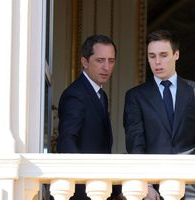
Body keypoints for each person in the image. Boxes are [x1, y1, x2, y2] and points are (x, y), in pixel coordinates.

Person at [123, 29, 195, 200]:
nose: (157, 62)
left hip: (191, 184)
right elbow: (135, 143)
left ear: (176, 54)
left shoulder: (193, 91)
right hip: (154, 187)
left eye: (163, 55)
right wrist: (145, 184)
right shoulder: (135, 96)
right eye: (152, 56)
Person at [57, 34, 123, 200]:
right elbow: (66, 141)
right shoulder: (76, 94)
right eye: (100, 60)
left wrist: (115, 189)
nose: (106, 67)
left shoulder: (101, 94)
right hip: (83, 191)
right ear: (85, 62)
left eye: (111, 61)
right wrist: (83, 180)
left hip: (98, 188)